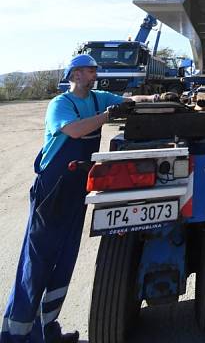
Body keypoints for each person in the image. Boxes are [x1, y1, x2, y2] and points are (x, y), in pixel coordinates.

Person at [1, 54, 151, 343]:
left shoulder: (98, 97)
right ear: (75, 75)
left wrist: (155, 97)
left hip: (77, 187)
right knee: (39, 259)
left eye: (94, 70)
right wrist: (109, 116)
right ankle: (17, 335)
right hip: (53, 189)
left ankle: (49, 331)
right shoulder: (61, 104)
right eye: (89, 70)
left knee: (64, 258)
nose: (94, 74)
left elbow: (129, 100)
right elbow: (75, 130)